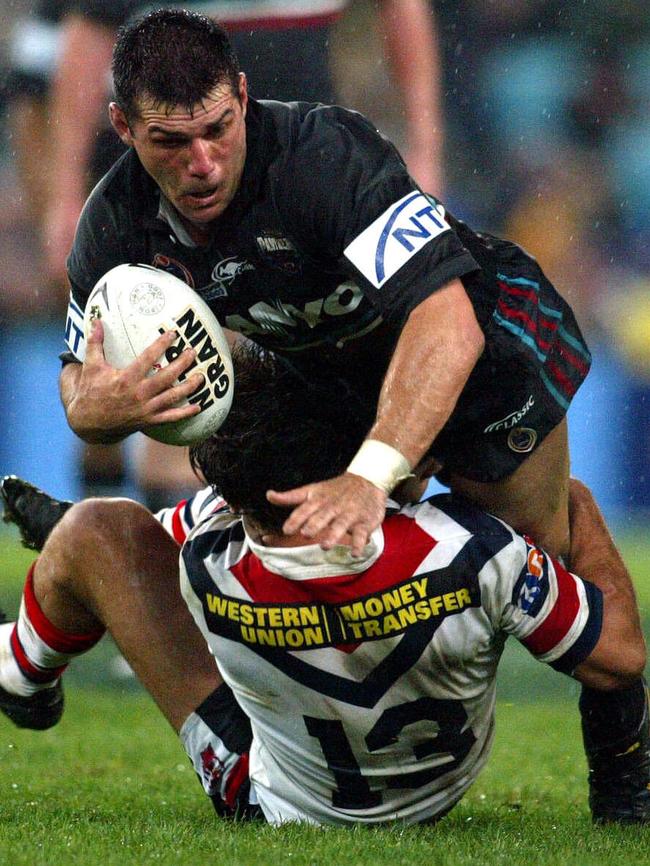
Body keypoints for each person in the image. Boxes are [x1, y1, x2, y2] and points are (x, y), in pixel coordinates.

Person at [0, 345, 648, 824]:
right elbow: (620, 657)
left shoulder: (214, 549)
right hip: (436, 790)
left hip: (270, 798)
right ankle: (625, 787)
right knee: (564, 510)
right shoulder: (470, 549)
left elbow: (142, 540)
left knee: (92, 530)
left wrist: (74, 539)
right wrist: (578, 510)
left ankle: (21, 667)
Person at [62, 9, 583, 562]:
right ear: (123, 126)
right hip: (338, 386)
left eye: (217, 129)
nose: (203, 164)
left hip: (486, 352)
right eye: (169, 140)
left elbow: (449, 324)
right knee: (315, 564)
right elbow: (75, 383)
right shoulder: (115, 223)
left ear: (242, 96)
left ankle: (581, 531)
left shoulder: (326, 160)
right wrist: (101, 407)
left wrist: (371, 476)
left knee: (538, 563)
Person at [45, 0, 444, 510]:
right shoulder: (129, 194)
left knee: (307, 391)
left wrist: (426, 145)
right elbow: (90, 34)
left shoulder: (322, 156)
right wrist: (65, 191)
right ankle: (138, 546)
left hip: (302, 168)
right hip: (169, 176)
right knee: (175, 371)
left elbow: (400, 10)